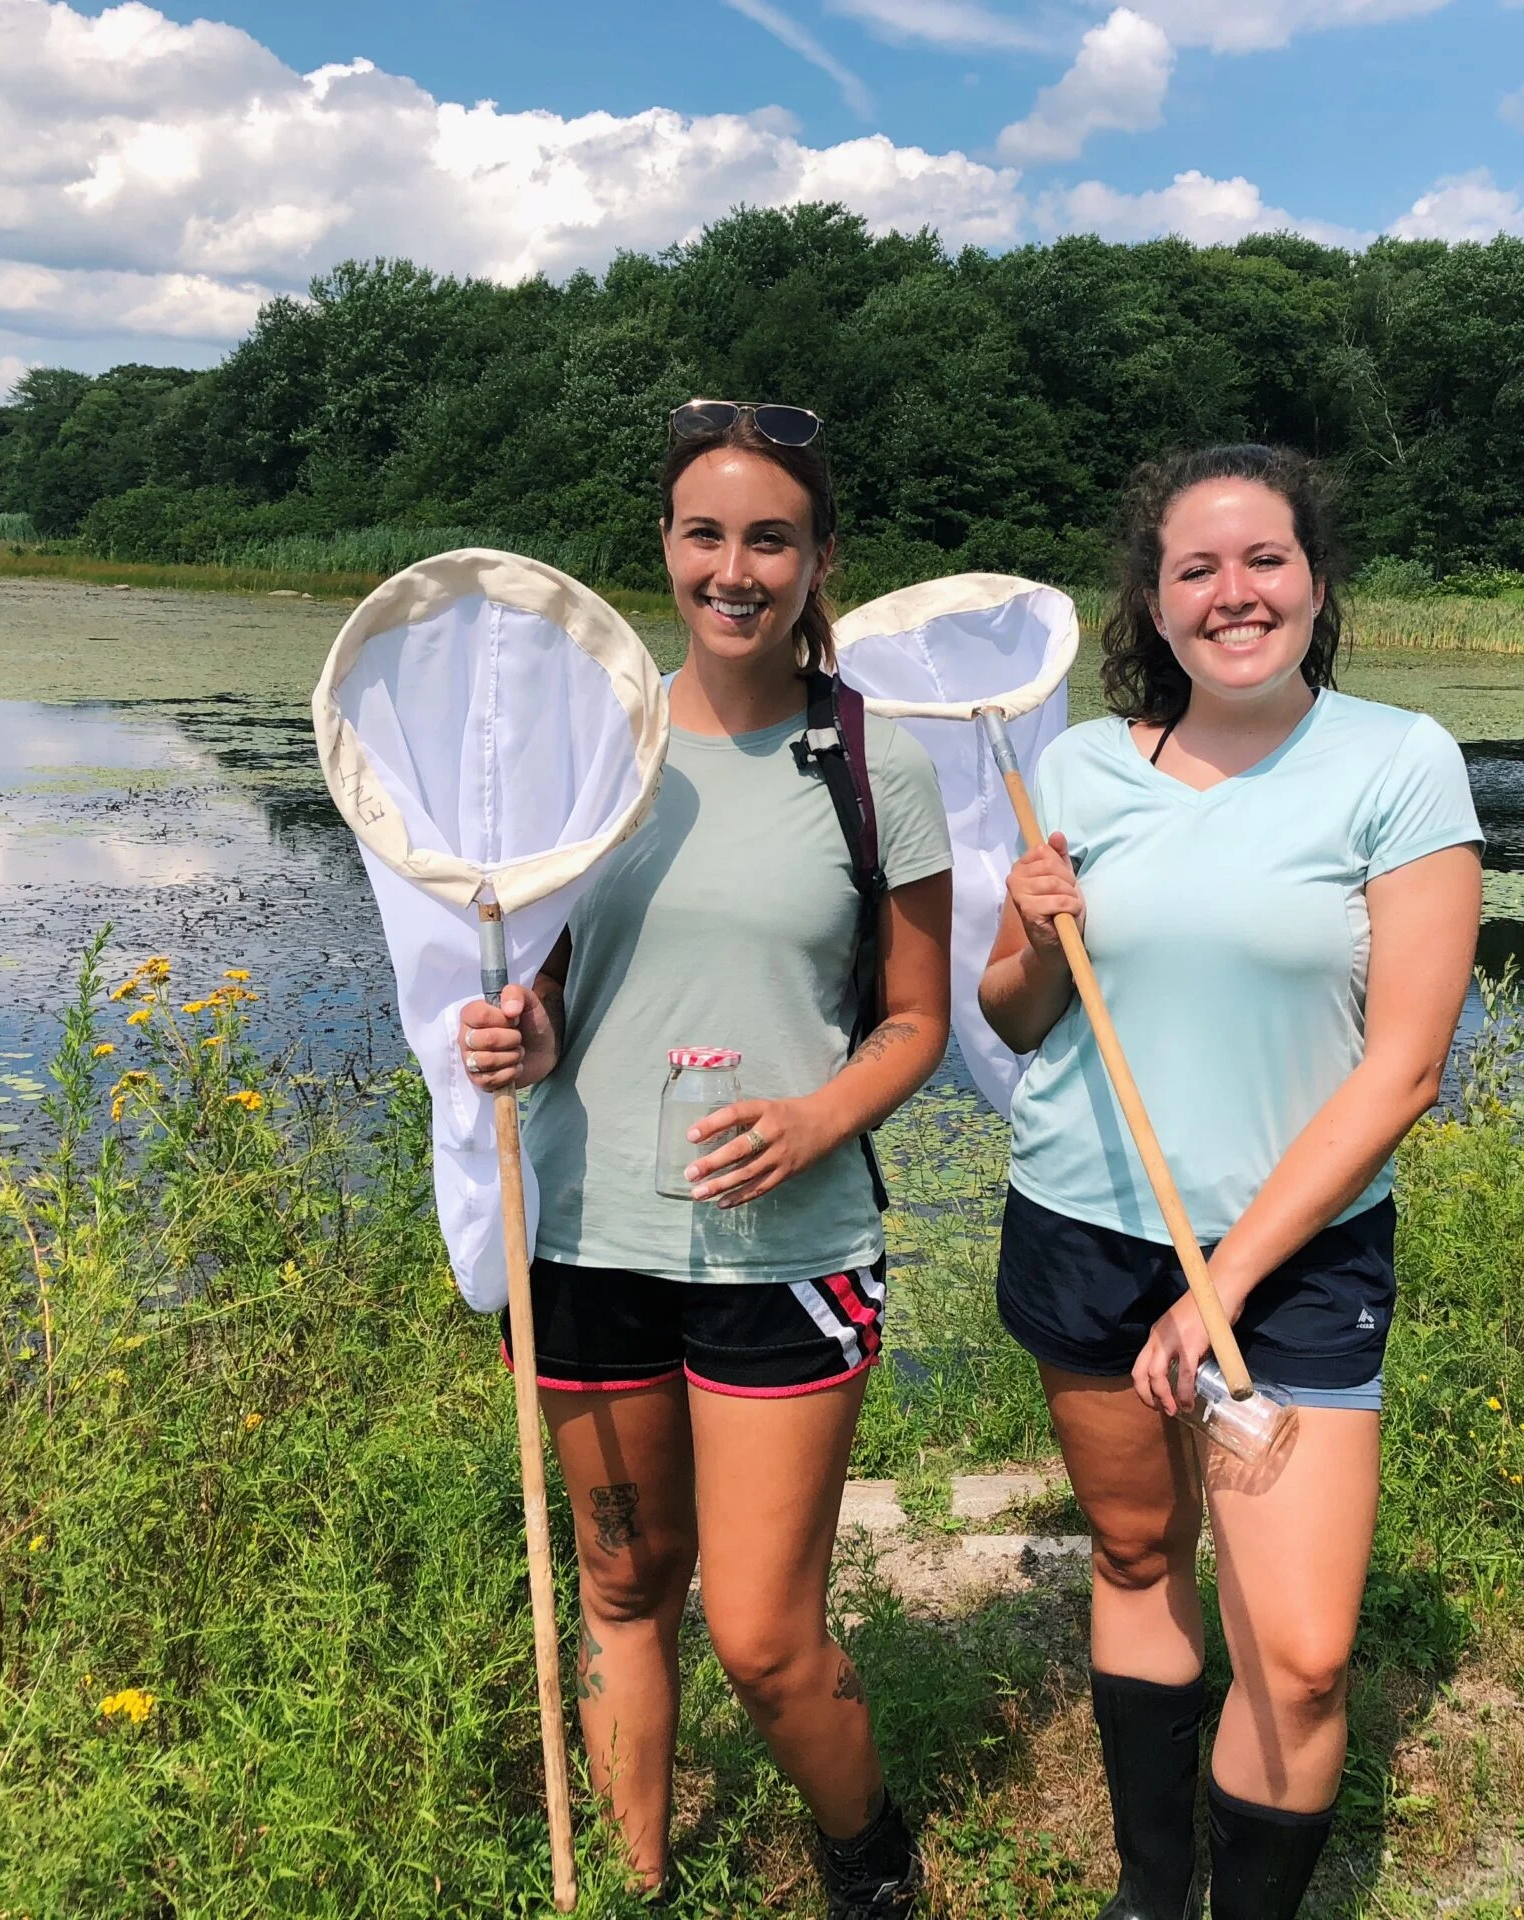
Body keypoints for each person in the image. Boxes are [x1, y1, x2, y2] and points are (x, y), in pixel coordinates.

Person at [458, 401, 953, 1917]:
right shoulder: (589, 759)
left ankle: (871, 1862)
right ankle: (635, 1887)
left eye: (770, 538)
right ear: (665, 552)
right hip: (587, 1236)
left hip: (784, 1257)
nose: (733, 569)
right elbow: (546, 974)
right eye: (704, 534)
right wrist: (522, 1031)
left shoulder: (878, 766)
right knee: (619, 1587)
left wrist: (815, 1118)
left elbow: (918, 1021)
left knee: (761, 1632)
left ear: (818, 563)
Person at [980, 444, 1483, 1920]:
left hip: (1294, 1261)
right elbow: (1019, 1021)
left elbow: (1402, 1070)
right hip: (1085, 1223)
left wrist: (1226, 1286)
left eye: (1264, 559)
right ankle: (1151, 1895)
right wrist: (1024, 933)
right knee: (1138, 1552)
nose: (1233, 592)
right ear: (1153, 599)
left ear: (1317, 584)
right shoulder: (1077, 767)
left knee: (1306, 1651)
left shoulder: (1399, 760)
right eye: (1195, 568)